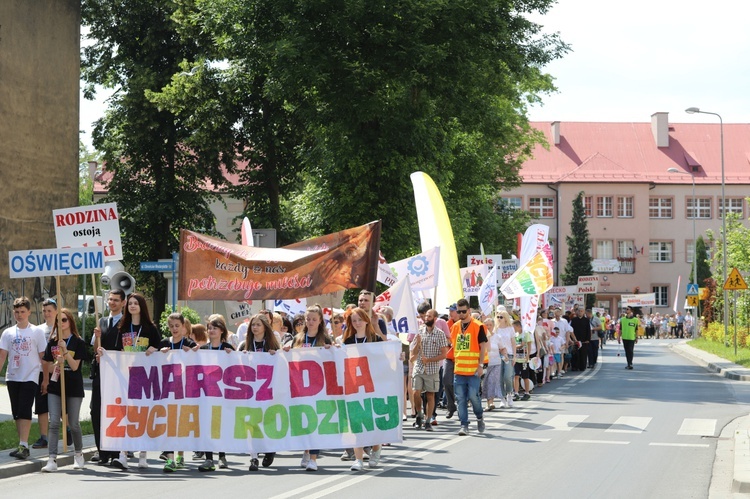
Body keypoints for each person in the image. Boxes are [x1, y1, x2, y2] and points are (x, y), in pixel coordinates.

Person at [283, 305, 333, 471]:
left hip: (318, 387)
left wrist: (330, 350)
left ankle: (313, 458)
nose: (311, 322)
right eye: (308, 319)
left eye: (314, 319)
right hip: (300, 387)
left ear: (320, 321)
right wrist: (287, 350)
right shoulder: (298, 338)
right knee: (304, 420)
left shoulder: (325, 340)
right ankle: (306, 450)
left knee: (315, 421)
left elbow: (333, 359)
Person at [41, 308, 88, 472]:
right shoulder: (52, 341)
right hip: (55, 386)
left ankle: (78, 454)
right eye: (58, 321)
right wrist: (56, 363)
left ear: (70, 322)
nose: (61, 323)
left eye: (64, 320)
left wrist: (66, 353)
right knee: (54, 422)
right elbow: (47, 367)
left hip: (73, 386)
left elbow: (75, 367)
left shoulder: (78, 342)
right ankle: (52, 459)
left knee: (73, 423)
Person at [0, 297, 47, 459]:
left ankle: (24, 445)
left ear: (29, 312)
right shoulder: (8, 333)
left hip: (30, 376)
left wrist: (46, 379)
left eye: (22, 312)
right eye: (17, 312)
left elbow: (43, 357)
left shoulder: (36, 332)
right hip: (13, 376)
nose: (19, 315)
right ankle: (22, 444)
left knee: (25, 409)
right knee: (17, 412)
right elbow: (2, 356)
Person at [119, 292, 162, 468]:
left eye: (136, 303)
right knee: (126, 414)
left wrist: (155, 349)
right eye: (130, 303)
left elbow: (161, 348)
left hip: (145, 377)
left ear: (141, 306)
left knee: (142, 414)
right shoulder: (122, 327)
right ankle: (123, 453)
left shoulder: (150, 328)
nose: (133, 306)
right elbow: (115, 349)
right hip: (126, 377)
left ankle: (143, 453)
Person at [342, 307, 385, 471]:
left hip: (373, 386)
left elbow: (387, 357)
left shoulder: (375, 339)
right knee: (356, 423)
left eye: (360, 319)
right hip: (354, 386)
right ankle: (358, 459)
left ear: (366, 320)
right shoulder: (348, 341)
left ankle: (376, 448)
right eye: (354, 321)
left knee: (373, 421)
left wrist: (398, 355)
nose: (357, 323)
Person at [90, 289, 125, 467]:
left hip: (118, 374)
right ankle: (102, 450)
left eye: (116, 300)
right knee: (96, 411)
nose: (112, 303)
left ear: (123, 303)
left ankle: (116, 451)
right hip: (100, 373)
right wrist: (97, 339)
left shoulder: (126, 324)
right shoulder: (101, 322)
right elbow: (95, 348)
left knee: (115, 412)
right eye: (110, 299)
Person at [196, 315, 235, 472]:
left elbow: (237, 367)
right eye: (209, 328)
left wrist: (231, 355)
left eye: (214, 328)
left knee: (220, 425)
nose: (211, 330)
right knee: (207, 426)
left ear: (221, 331)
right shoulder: (203, 349)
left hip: (222, 394)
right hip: (206, 394)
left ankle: (222, 456)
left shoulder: (227, 348)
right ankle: (209, 459)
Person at [159, 312, 198, 472]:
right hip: (168, 389)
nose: (174, 329)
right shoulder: (164, 342)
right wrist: (157, 352)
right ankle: (170, 459)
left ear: (183, 327)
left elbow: (199, 352)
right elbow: (151, 355)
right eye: (172, 326)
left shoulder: (188, 342)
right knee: (169, 423)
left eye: (177, 326)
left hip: (184, 389)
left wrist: (193, 351)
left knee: (181, 422)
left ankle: (181, 454)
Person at [450, 299, 488, 436]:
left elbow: (483, 346)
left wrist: (480, 365)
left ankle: (479, 416)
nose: (461, 314)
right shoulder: (455, 327)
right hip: (459, 369)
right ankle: (464, 425)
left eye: (463, 311)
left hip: (473, 370)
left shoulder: (478, 326)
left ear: (469, 310)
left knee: (473, 396)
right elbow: (454, 347)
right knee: (460, 398)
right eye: (458, 311)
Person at [410, 309, 449, 431]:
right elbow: (412, 354)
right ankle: (418, 415)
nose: (426, 318)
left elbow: (444, 354)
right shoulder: (419, 332)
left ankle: (428, 420)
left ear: (435, 318)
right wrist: (417, 343)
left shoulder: (440, 334)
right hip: (419, 368)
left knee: (430, 395)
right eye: (426, 316)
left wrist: (430, 360)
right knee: (416, 392)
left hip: (432, 369)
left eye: (429, 316)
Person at [32, 298, 57, 450]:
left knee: (61, 406)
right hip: (41, 372)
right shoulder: (38, 330)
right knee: (42, 406)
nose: (47, 314)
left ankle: (67, 431)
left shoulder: (62, 327)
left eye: (50, 311)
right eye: (44, 311)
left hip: (58, 371)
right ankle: (43, 437)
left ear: (55, 311)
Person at [483, 314, 504, 410]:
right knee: (486, 382)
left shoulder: (497, 336)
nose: (488, 327)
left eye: (490, 325)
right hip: (485, 363)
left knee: (492, 381)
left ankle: (491, 402)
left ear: (493, 326)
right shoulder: (482, 337)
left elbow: (502, 348)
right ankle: (488, 403)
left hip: (496, 363)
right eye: (486, 325)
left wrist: (506, 356)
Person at [512, 320, 534, 401]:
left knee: (525, 376)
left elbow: (528, 345)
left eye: (514, 327)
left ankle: (527, 392)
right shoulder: (515, 335)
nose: (513, 329)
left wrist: (528, 355)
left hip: (524, 359)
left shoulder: (526, 334)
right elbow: (515, 345)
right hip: (516, 358)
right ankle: (516, 393)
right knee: (516, 375)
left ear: (519, 326)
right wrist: (519, 346)